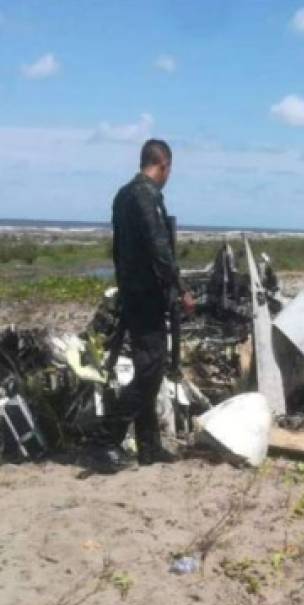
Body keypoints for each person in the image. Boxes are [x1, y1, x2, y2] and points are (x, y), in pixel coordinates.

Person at [94, 139, 195, 472]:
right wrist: (180, 288)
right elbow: (158, 248)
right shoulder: (145, 196)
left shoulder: (122, 196)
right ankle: (107, 439)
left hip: (133, 293)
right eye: (170, 170)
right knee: (151, 371)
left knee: (147, 369)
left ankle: (149, 446)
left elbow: (119, 250)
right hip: (147, 297)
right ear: (163, 164)